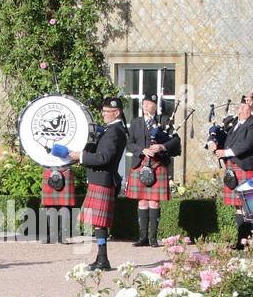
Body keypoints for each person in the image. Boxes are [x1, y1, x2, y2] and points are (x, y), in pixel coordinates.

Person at [52, 96, 128, 272]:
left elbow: (104, 158)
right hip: (99, 180)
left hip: (103, 180)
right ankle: (101, 258)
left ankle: (103, 260)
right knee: (98, 223)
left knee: (100, 223)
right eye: (103, 111)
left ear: (116, 112)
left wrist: (81, 156)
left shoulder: (115, 132)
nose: (103, 115)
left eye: (106, 112)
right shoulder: (111, 130)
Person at [124, 94, 181, 247]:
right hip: (140, 164)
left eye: (148, 104)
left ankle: (153, 238)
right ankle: (143, 237)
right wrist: (142, 150)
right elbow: (129, 144)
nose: (145, 106)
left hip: (157, 165)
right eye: (144, 103)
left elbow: (176, 141)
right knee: (142, 202)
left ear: (155, 106)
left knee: (154, 202)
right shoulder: (136, 122)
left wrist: (163, 147)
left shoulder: (164, 121)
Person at [209, 94, 253, 249]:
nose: (240, 109)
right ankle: (241, 242)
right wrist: (212, 140)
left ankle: (250, 242)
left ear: (251, 108)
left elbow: (248, 144)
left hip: (246, 167)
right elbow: (219, 134)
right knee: (239, 206)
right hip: (233, 169)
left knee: (249, 207)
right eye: (240, 106)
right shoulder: (234, 124)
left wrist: (225, 153)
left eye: (244, 106)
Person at [40, 163, 76, 244]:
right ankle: (52, 235)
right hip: (49, 169)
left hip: (65, 169)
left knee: (65, 205)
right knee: (49, 205)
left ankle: (62, 236)